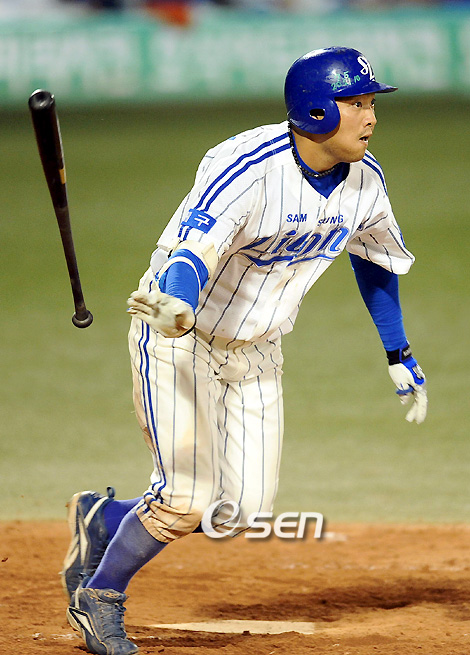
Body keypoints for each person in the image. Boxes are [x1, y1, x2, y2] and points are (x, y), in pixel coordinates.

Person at [63, 46, 427, 655]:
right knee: (185, 500)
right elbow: (189, 254)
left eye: (371, 104)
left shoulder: (366, 181)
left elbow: (375, 258)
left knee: (239, 511)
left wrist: (399, 350)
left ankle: (103, 518)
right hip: (177, 333)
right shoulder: (248, 168)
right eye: (356, 103)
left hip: (258, 350)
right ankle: (99, 596)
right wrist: (177, 304)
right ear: (316, 110)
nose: (370, 117)